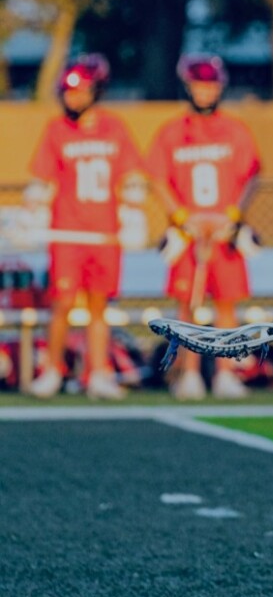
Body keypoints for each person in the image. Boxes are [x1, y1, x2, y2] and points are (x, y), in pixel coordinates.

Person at [26, 55, 147, 401]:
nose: (73, 98)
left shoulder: (114, 128)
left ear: (97, 91)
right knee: (62, 303)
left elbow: (131, 178)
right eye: (68, 92)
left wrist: (133, 214)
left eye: (79, 91)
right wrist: (33, 210)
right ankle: (52, 370)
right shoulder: (57, 129)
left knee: (98, 307)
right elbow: (43, 179)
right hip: (67, 233)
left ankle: (99, 373)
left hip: (104, 234)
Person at [146, 54, 261, 401]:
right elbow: (158, 178)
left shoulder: (234, 130)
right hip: (189, 233)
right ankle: (190, 373)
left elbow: (251, 176)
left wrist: (233, 215)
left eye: (210, 86)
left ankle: (225, 373)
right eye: (199, 86)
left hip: (224, 232)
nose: (205, 92)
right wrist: (182, 218)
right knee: (187, 305)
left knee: (226, 305)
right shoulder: (172, 131)